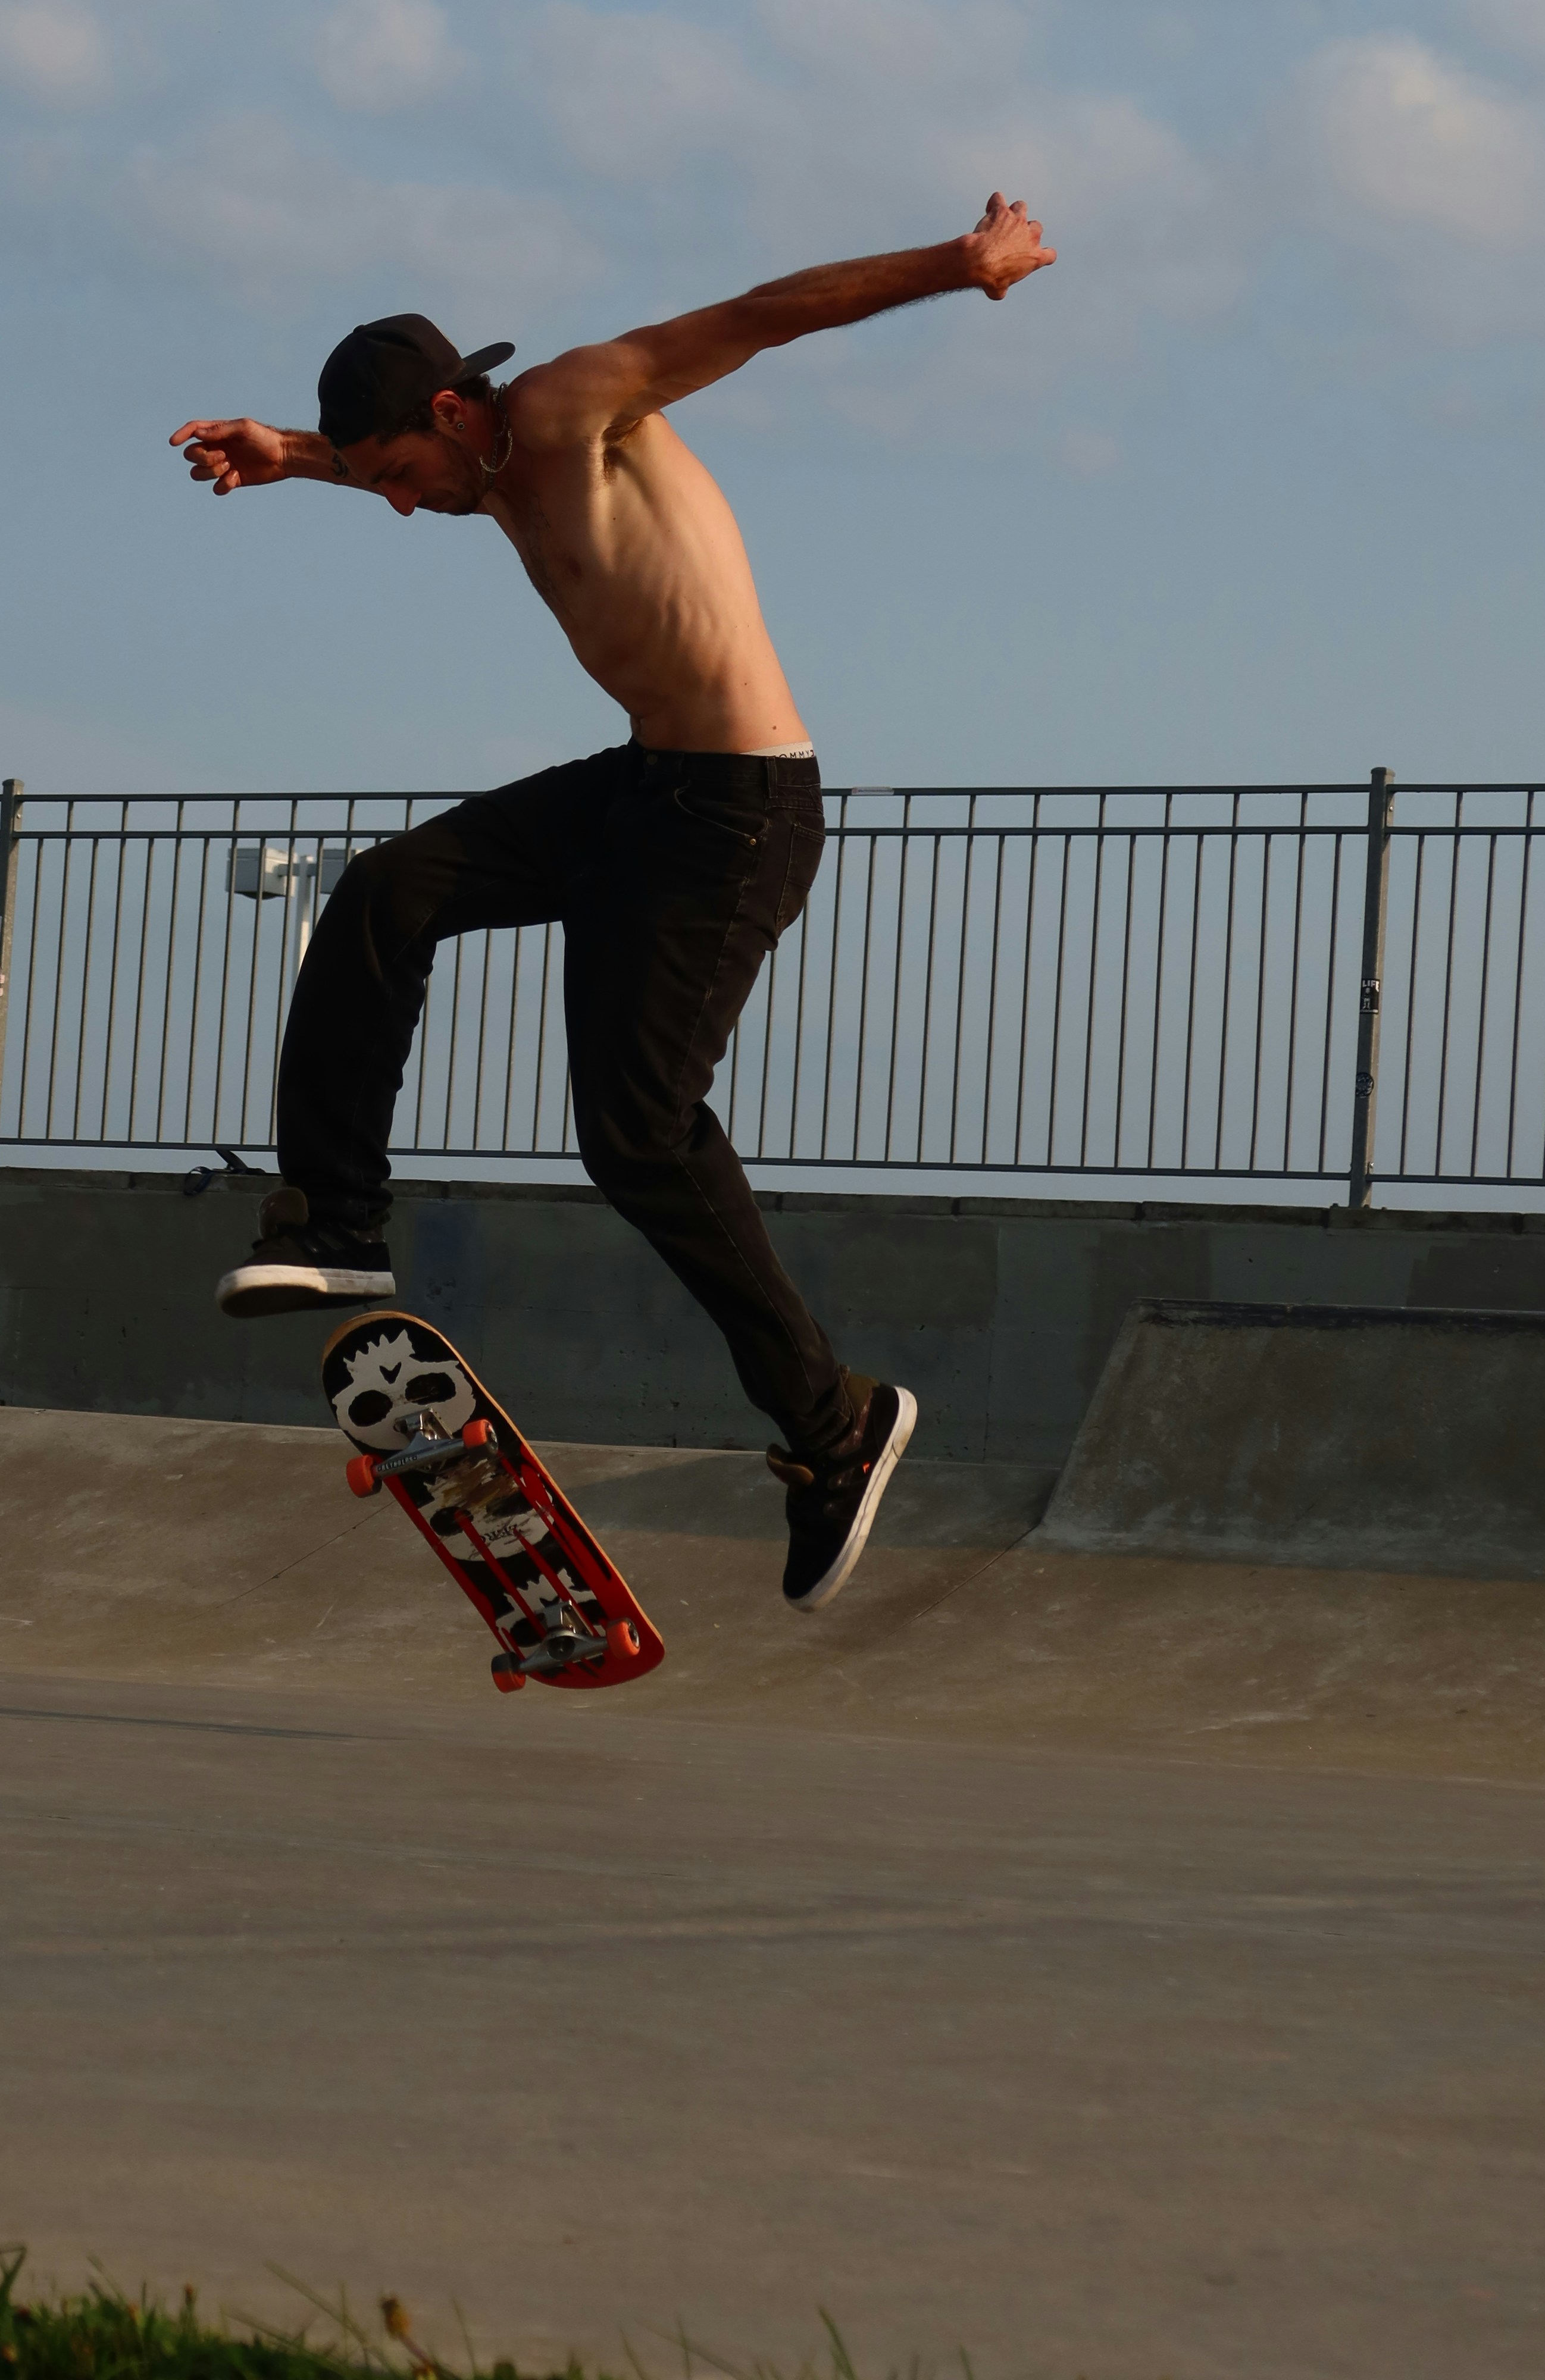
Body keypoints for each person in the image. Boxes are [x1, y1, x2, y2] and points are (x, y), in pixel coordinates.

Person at [169, 192, 1053, 1609]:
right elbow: (399, 463)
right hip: (641, 791)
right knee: (387, 894)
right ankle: (335, 1221)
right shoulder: (478, 470)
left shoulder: (576, 405)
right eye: (377, 485)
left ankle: (835, 1425)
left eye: (399, 474)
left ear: (455, 411)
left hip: (738, 818)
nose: (400, 505)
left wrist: (961, 266)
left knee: (637, 1136)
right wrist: (296, 455)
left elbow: (762, 318)